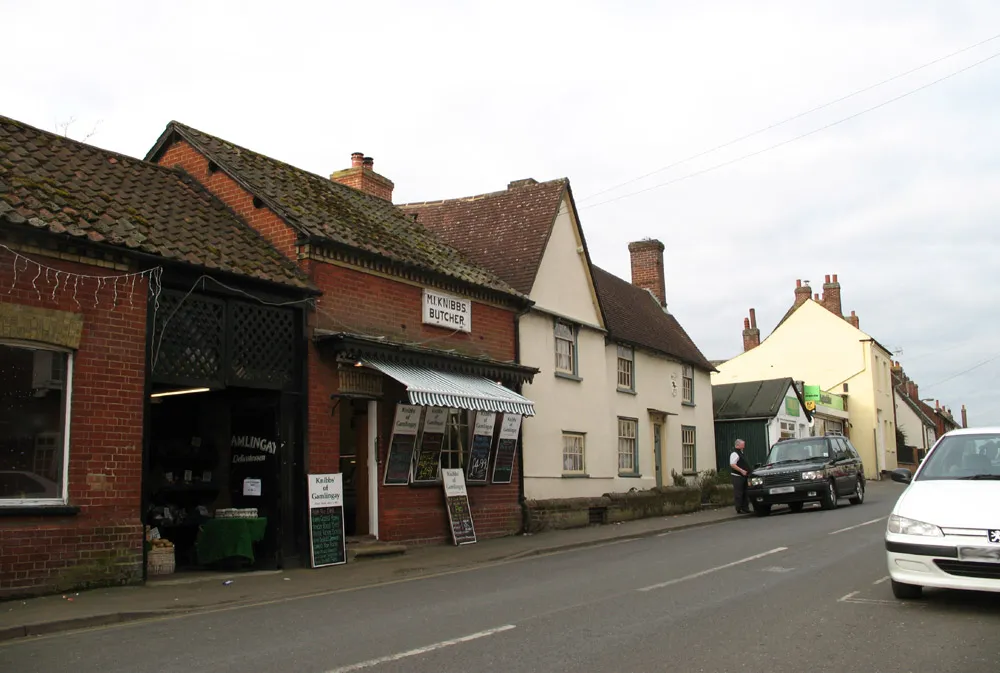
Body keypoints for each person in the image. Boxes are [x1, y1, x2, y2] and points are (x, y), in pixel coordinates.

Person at [730, 439, 751, 514]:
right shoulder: (734, 453)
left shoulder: (741, 452)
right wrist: (741, 470)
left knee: (745, 492)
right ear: (737, 445)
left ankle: (745, 508)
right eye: (742, 444)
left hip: (744, 476)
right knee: (739, 493)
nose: (744, 445)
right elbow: (732, 464)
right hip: (737, 476)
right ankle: (739, 508)